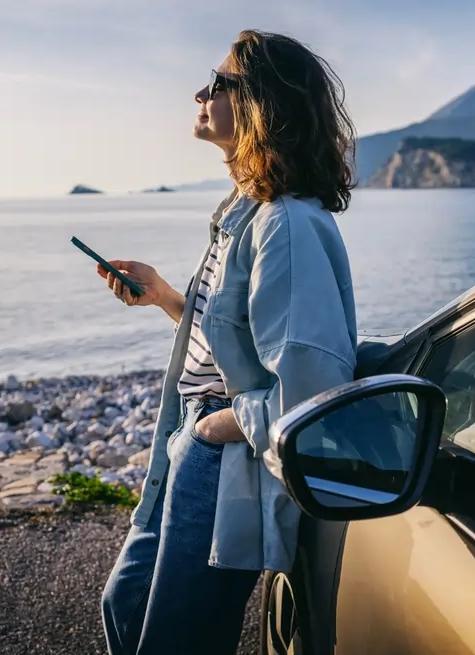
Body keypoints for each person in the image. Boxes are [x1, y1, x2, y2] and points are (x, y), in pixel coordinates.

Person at [97, 30, 358, 655]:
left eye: (216, 84)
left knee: (177, 640)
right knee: (125, 606)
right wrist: (164, 296)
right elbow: (238, 344)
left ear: (261, 102)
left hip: (222, 456)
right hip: (194, 442)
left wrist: (217, 428)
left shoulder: (286, 224)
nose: (199, 93)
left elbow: (316, 388)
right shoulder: (246, 209)